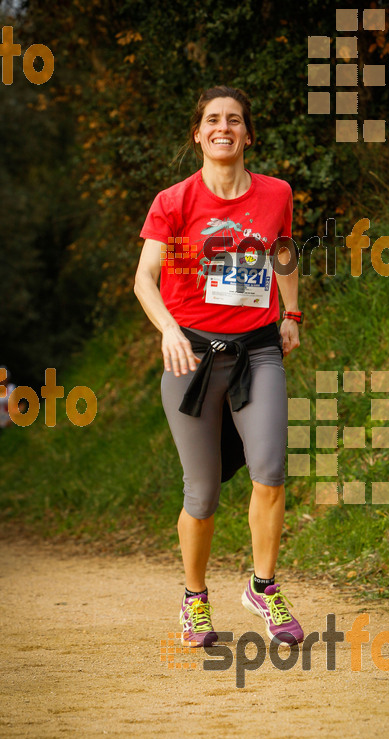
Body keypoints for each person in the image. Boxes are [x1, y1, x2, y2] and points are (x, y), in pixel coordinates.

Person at [134, 86, 304, 648]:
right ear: (198, 133)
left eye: (234, 120)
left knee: (271, 472)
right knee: (202, 494)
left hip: (257, 350)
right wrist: (170, 331)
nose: (223, 127)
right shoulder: (174, 201)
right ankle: (195, 599)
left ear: (248, 134)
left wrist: (291, 312)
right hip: (193, 356)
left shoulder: (276, 193)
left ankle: (263, 586)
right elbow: (144, 279)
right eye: (212, 119)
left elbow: (283, 251)